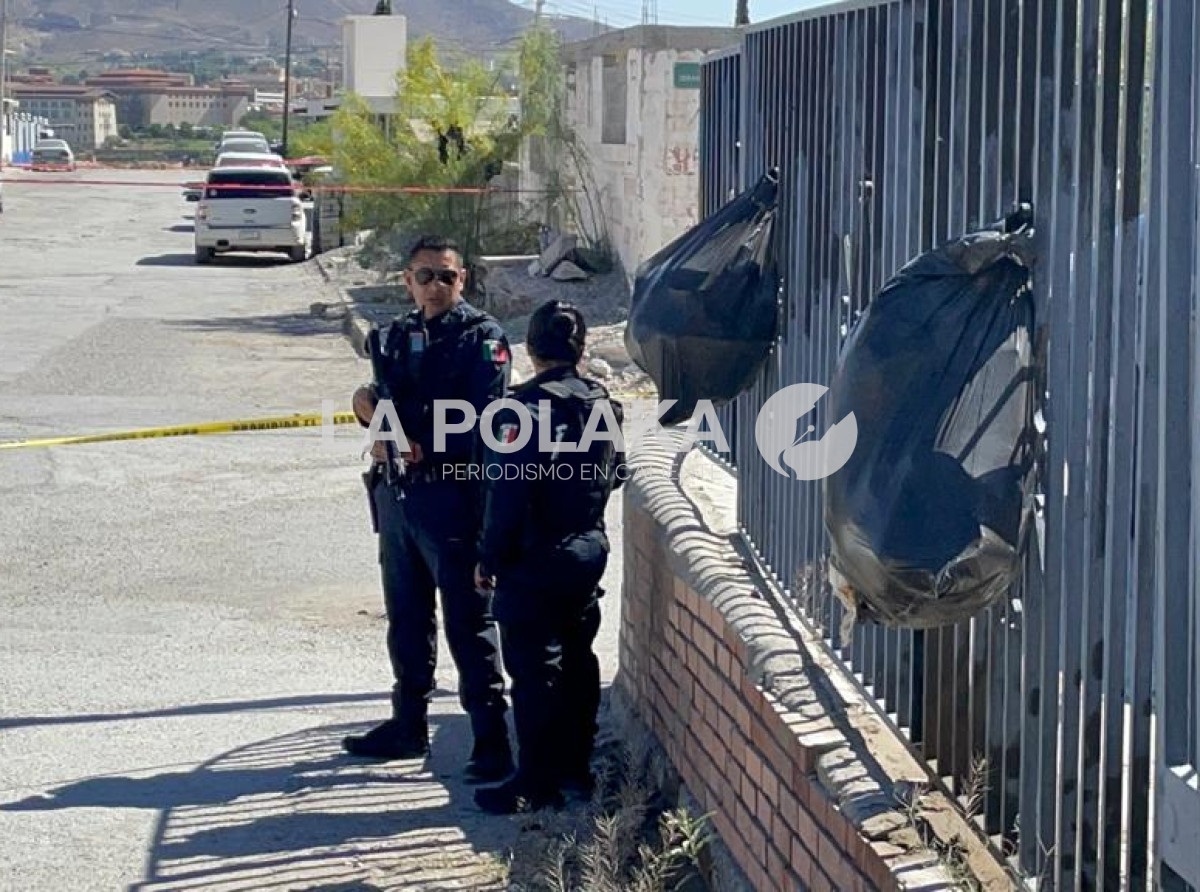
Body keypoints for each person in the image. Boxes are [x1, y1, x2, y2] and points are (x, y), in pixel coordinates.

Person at [346, 234, 513, 783]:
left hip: (453, 496)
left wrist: (420, 437)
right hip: (399, 494)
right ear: (407, 281)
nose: (436, 286)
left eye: (447, 276)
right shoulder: (393, 336)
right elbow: (377, 394)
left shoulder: (482, 338)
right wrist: (366, 410)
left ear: (462, 280)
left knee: (470, 622)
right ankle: (407, 723)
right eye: (425, 276)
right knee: (407, 617)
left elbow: (485, 418)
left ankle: (490, 740)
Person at [471, 299, 626, 814]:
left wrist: (488, 559)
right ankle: (575, 769)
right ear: (581, 351)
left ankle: (534, 782)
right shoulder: (602, 403)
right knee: (579, 660)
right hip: (586, 549)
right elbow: (616, 472)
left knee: (534, 670)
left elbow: (506, 496)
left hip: (535, 558)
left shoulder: (518, 412)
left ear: (530, 350)